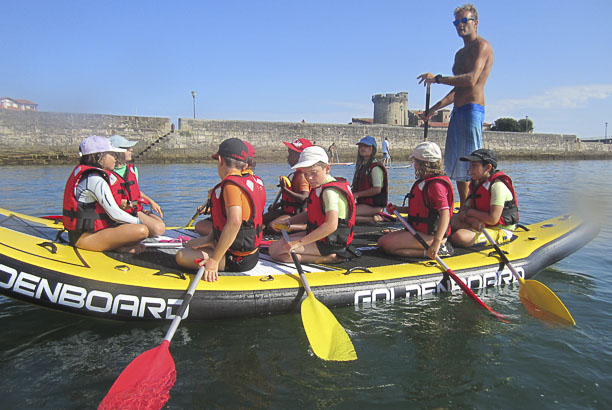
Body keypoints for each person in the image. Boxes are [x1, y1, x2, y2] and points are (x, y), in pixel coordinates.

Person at [417, 3, 493, 207]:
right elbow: (457, 90)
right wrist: (432, 110)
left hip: (472, 110)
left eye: (464, 21)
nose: (460, 25)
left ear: (475, 23)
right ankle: (465, 205)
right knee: (459, 164)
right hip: (457, 111)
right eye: (456, 22)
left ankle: (480, 205)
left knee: (473, 162)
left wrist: (438, 79)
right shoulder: (459, 54)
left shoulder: (482, 46)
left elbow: (470, 79)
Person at [176, 138, 266, 281]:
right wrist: (211, 238)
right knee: (189, 244)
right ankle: (213, 243)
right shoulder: (256, 181)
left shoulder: (230, 186)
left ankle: (218, 255)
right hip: (250, 252)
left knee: (181, 256)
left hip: (238, 259)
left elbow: (235, 222)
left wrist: (214, 260)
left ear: (220, 160)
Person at [62, 135, 157, 253]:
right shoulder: (94, 179)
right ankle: (117, 248)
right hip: (84, 238)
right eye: (112, 154)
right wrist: (140, 222)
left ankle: (120, 247)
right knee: (142, 230)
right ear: (100, 157)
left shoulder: (89, 175)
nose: (115, 158)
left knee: (136, 229)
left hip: (87, 234)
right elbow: (115, 215)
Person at [269, 146, 356, 264]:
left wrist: (299, 243)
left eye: (313, 173)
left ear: (327, 168)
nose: (309, 178)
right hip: (322, 238)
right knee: (281, 242)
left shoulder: (330, 192)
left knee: (276, 251)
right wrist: (289, 222)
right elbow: (311, 213)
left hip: (331, 243)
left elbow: (331, 225)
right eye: (305, 174)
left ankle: (327, 258)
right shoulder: (319, 187)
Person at [378, 142, 454, 259]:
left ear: (421, 164)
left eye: (415, 161)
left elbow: (445, 214)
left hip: (432, 236)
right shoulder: (425, 182)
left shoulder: (436, 186)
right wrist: (398, 209)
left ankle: (438, 250)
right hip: (421, 231)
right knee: (382, 243)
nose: (414, 164)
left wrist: (437, 242)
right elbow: (420, 209)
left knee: (387, 245)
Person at [450, 149, 519, 247]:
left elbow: (493, 219)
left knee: (460, 237)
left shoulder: (497, 186)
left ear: (488, 167)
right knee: (450, 220)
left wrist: (470, 213)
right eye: (470, 166)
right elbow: (463, 212)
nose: (470, 170)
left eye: (474, 166)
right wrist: (473, 221)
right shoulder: (476, 184)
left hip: (499, 229)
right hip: (480, 223)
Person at [108, 135, 166, 237]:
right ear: (117, 152)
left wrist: (152, 202)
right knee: (158, 229)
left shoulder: (133, 170)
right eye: (127, 149)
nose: (131, 150)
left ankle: (145, 214)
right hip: (120, 211)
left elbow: (135, 191)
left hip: (134, 209)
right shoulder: (106, 173)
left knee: (160, 226)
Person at [263, 138, 312, 232]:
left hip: (296, 214)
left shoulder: (302, 176)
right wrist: (276, 206)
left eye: (291, 154)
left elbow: (304, 198)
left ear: (300, 156)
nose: (288, 157)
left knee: (273, 226)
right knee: (263, 219)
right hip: (287, 210)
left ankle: (304, 227)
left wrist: (285, 190)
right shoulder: (296, 174)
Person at [351, 136, 389, 224]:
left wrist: (357, 195)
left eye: (366, 146)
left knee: (347, 215)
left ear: (372, 149)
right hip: (365, 204)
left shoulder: (375, 167)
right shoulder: (362, 166)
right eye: (361, 146)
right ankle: (371, 217)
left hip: (374, 206)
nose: (362, 148)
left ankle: (373, 219)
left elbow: (377, 189)